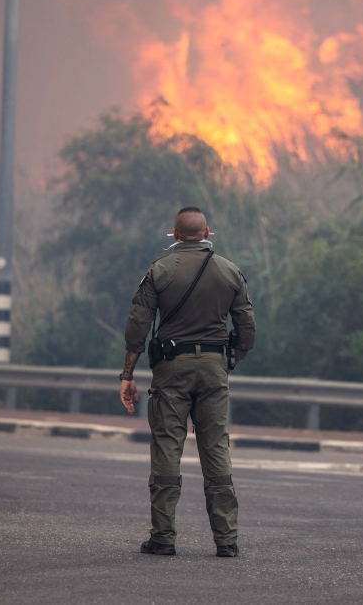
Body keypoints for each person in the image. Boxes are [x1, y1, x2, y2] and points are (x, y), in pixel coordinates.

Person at [119, 206, 256, 558]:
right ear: (207, 231)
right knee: (216, 449)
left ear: (175, 235)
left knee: (167, 447)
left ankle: (163, 537)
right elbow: (247, 329)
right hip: (214, 369)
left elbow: (137, 326)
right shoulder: (230, 271)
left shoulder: (160, 271)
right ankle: (226, 540)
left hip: (171, 369)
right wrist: (229, 360)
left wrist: (128, 374)